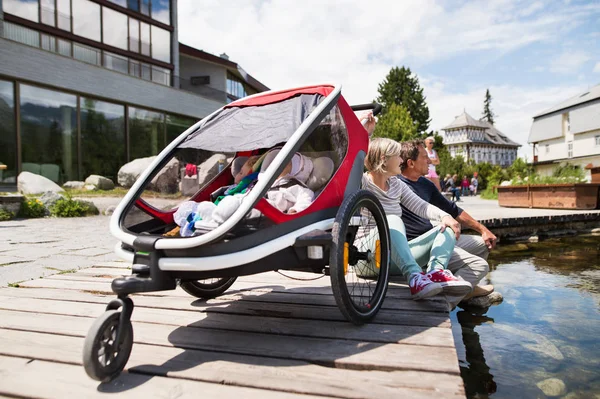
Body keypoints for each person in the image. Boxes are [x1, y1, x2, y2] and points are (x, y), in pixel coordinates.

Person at [361, 137, 472, 301]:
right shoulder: (362, 182)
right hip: (367, 258)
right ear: (384, 159)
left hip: (393, 259)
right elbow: (352, 155)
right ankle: (414, 277)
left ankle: (436, 272)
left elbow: (422, 206)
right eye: (398, 156)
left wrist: (445, 216)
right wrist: (366, 131)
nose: (401, 160)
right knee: (391, 220)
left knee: (446, 226)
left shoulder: (396, 184)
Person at [398, 140, 497, 304]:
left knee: (482, 243)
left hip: (436, 240)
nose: (429, 161)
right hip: (415, 248)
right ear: (411, 163)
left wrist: (482, 229)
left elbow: (453, 210)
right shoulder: (395, 185)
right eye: (424, 157)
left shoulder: (425, 184)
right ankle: (442, 303)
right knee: (480, 266)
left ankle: (467, 288)